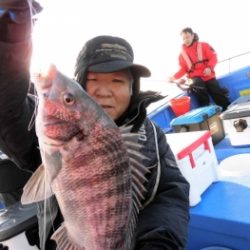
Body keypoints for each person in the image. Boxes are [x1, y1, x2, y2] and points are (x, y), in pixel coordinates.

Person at [0, 1, 190, 249]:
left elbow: (170, 193)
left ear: (133, 88)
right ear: (82, 87)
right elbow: (7, 106)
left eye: (117, 81)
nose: (105, 91)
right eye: (93, 80)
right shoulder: (45, 136)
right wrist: (11, 33)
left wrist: (159, 242)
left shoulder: (150, 134)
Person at [169, 27, 230, 111]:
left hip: (208, 75)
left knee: (217, 93)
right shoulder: (181, 55)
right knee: (199, 87)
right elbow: (183, 69)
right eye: (183, 38)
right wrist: (173, 77)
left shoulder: (204, 45)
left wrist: (209, 67)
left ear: (192, 36)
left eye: (187, 37)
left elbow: (213, 57)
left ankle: (227, 110)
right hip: (195, 78)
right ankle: (207, 113)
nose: (186, 40)